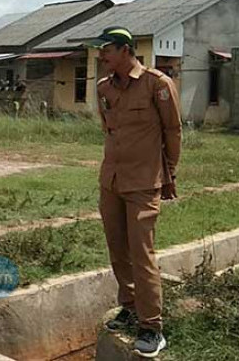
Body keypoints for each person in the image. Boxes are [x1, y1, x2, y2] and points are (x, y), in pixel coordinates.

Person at [91, 27, 181, 359]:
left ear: (126, 50)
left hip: (144, 183)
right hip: (111, 181)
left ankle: (151, 326)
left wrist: (168, 172)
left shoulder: (157, 84)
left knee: (143, 254)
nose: (101, 56)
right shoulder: (103, 88)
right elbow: (109, 129)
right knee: (118, 249)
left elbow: (173, 130)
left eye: (106, 50)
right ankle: (129, 307)